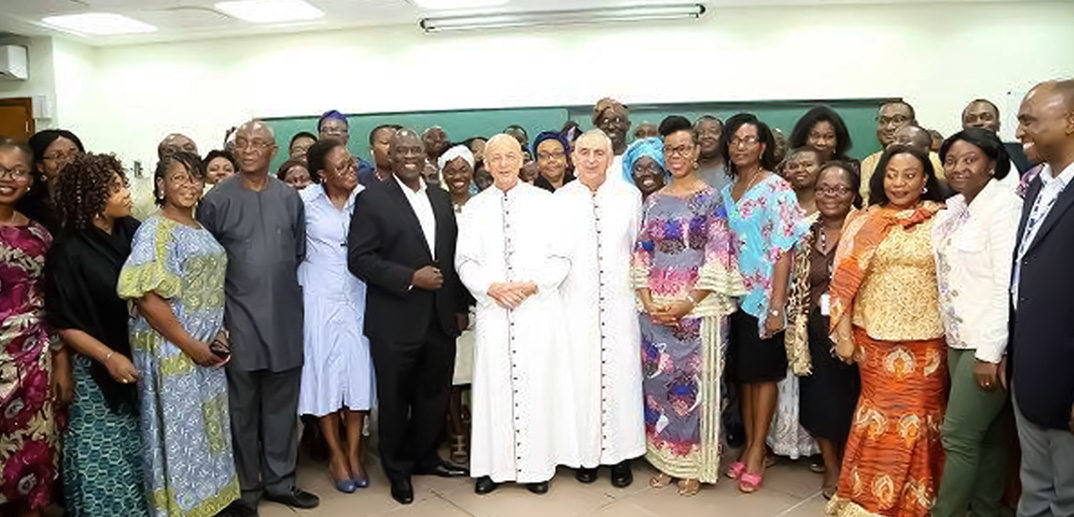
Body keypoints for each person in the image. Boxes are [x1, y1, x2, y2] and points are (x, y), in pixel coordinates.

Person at [197, 120, 319, 513]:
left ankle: (282, 483)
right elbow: (205, 265)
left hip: (283, 318)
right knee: (241, 412)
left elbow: (297, 252)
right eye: (241, 143)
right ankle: (246, 490)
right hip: (238, 321)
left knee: (282, 412)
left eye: (258, 143)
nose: (248, 149)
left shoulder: (289, 197)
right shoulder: (216, 199)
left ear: (273, 150)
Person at [347, 128, 468, 505]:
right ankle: (398, 470)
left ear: (425, 156)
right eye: (402, 151)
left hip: (440, 318)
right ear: (390, 156)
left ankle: (425, 457)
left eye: (416, 149)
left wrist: (460, 306)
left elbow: (452, 255)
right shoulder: (372, 200)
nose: (411, 156)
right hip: (395, 319)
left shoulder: (440, 197)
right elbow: (359, 259)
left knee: (433, 395)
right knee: (396, 399)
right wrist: (409, 278)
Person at [116, 151, 240, 516]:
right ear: (161, 185)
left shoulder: (200, 227)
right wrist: (190, 345)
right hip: (175, 349)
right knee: (183, 436)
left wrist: (218, 335)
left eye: (195, 178)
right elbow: (146, 298)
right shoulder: (155, 230)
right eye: (179, 178)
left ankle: (212, 503)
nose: (189, 185)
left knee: (208, 432)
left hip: (205, 350)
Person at [827, 145, 947, 517]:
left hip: (927, 340)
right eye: (892, 175)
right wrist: (843, 334)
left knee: (920, 422)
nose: (899, 183)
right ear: (880, 179)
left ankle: (917, 503)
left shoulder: (943, 218)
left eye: (910, 175)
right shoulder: (863, 220)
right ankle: (867, 502)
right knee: (878, 419)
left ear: (926, 180)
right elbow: (842, 280)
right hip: (874, 339)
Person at [456, 134, 577, 496]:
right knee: (494, 387)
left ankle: (536, 467)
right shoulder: (474, 209)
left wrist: (531, 285)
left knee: (536, 385)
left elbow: (562, 258)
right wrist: (490, 287)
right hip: (494, 310)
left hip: (535, 310)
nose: (504, 164)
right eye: (496, 158)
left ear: (523, 160)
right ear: (487, 164)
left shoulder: (546, 202)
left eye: (511, 157)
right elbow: (464, 261)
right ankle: (493, 467)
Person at [633, 116, 744, 497]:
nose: (675, 155)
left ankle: (696, 465)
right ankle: (665, 458)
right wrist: (648, 301)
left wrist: (686, 302)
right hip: (656, 312)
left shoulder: (711, 199)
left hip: (699, 311)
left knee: (697, 390)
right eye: (669, 150)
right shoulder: (653, 200)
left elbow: (718, 255)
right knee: (659, 387)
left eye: (683, 148)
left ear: (697, 152)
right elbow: (643, 252)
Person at [44, 152, 149, 517]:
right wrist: (108, 356)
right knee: (102, 458)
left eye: (124, 184)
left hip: (138, 358)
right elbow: (64, 320)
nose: (126, 193)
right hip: (95, 370)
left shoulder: (135, 232)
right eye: (116, 188)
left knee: (136, 452)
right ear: (90, 197)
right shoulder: (67, 250)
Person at [930, 129, 1019, 517]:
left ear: (992, 163)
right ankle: (987, 509)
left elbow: (1005, 286)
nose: (959, 168)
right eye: (950, 161)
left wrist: (990, 353)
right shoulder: (955, 209)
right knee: (989, 437)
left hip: (986, 340)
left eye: (970, 159)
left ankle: (944, 513)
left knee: (959, 436)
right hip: (957, 336)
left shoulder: (1003, 208)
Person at [721, 114, 808, 494]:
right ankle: (750, 446)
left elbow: (784, 249)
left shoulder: (777, 188)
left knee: (765, 376)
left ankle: (757, 451)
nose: (741, 146)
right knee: (744, 376)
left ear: (762, 147)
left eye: (749, 140)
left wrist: (776, 306)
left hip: (765, 299)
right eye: (735, 140)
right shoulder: (728, 190)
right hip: (733, 298)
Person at [556, 130, 644, 489]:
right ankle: (585, 456)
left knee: (622, 378)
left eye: (599, 154)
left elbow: (640, 249)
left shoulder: (630, 196)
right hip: (574, 303)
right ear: (572, 159)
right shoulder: (560, 199)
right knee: (580, 378)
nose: (591, 160)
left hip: (620, 303)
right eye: (584, 153)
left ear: (610, 160)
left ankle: (620, 456)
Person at [1008, 79, 1074, 517]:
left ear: (1070, 122)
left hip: (1068, 372)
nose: (1019, 132)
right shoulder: (1037, 184)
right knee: (1036, 485)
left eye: (1029, 120)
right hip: (1030, 366)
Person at [296, 139, 375, 494]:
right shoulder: (303, 203)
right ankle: (336, 455)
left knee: (358, 377)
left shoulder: (367, 198)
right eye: (340, 168)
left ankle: (355, 452)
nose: (350, 171)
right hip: (319, 300)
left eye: (351, 163)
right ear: (321, 175)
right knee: (324, 377)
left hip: (359, 297)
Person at [785, 162, 862, 500]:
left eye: (840, 189)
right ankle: (831, 464)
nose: (831, 195)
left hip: (858, 331)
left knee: (854, 400)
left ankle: (853, 462)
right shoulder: (806, 232)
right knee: (819, 401)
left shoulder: (866, 230)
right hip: (814, 330)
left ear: (853, 194)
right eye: (824, 189)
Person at [0, 140, 61, 517]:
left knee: (31, 457)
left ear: (31, 177)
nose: (7, 178)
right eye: (0, 169)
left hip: (33, 362)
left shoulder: (41, 236)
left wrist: (61, 360)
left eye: (17, 170)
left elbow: (53, 303)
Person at [765, 146, 823, 463]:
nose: (801, 169)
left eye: (809, 164)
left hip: (815, 301)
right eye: (795, 164)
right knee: (782, 370)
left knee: (814, 373)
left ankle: (815, 443)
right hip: (781, 296)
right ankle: (781, 441)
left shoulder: (834, 204)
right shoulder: (781, 203)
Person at [439, 144, 477, 464]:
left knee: (482, 373)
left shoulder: (482, 206)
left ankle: (482, 430)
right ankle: (457, 434)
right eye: (450, 170)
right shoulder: (437, 206)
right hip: (450, 302)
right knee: (452, 375)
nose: (457, 176)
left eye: (463, 169)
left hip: (486, 301)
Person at [859, 101, 945, 201]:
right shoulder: (869, 162)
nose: (889, 127)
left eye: (898, 120)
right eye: (883, 121)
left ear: (914, 124)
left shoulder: (933, 159)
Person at [17, 129, 84, 235]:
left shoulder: (95, 196)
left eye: (74, 154)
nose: (69, 161)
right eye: (58, 156)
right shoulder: (27, 208)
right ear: (40, 166)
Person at [788, 106, 858, 169]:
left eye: (829, 137)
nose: (821, 142)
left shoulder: (850, 168)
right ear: (803, 138)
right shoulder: (790, 168)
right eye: (815, 136)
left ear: (838, 140)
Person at [318, 110, 374, 178]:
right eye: (326, 130)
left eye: (337, 130)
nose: (331, 133)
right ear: (319, 136)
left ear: (346, 137)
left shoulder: (361, 167)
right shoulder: (312, 166)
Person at [594, 98, 631, 175]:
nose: (611, 127)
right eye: (605, 121)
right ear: (598, 127)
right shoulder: (591, 160)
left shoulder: (634, 157)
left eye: (617, 121)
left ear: (627, 125)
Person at [695, 115, 731, 191]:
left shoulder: (733, 169)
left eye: (713, 132)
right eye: (701, 132)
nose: (706, 136)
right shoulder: (686, 170)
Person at [783, 147, 822, 216]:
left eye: (807, 165)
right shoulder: (781, 203)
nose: (799, 170)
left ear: (821, 168)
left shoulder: (828, 205)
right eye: (794, 166)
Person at [440, 144, 475, 211]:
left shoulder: (484, 206)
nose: (457, 176)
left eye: (464, 171)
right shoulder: (436, 208)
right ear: (443, 175)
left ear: (472, 173)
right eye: (451, 172)